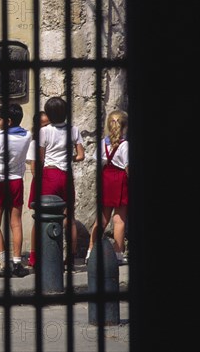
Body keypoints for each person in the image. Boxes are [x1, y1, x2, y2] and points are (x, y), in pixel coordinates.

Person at [30, 97, 85, 270]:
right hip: (66, 175)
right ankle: (71, 258)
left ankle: (38, 257)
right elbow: (81, 156)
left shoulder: (44, 131)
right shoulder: (74, 130)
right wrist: (69, 158)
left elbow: (40, 158)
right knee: (69, 217)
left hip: (49, 173)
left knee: (42, 216)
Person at [0, 103, 32, 278]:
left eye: (0, 119)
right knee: (16, 223)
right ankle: (17, 263)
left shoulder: (1, 138)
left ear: (8, 121)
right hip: (16, 181)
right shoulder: (27, 136)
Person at [85, 110, 129, 265]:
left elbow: (99, 162)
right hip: (120, 180)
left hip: (106, 179)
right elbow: (127, 168)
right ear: (125, 127)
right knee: (119, 220)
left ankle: (90, 251)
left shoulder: (102, 143)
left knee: (102, 219)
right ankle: (117, 254)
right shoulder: (125, 145)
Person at [25, 110, 50, 268]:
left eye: (48, 124)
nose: (46, 127)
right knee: (38, 218)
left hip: (51, 178)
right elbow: (33, 166)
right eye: (44, 125)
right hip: (41, 181)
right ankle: (34, 255)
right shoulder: (35, 143)